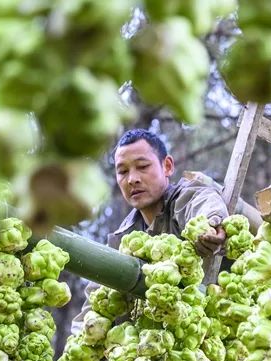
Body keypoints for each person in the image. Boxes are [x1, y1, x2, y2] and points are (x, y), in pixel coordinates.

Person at [70, 128, 230, 334]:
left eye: (142, 166)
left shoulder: (185, 198)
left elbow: (203, 202)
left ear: (167, 166)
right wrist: (78, 340)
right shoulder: (123, 240)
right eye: (123, 171)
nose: (132, 179)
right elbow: (95, 301)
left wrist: (212, 224)